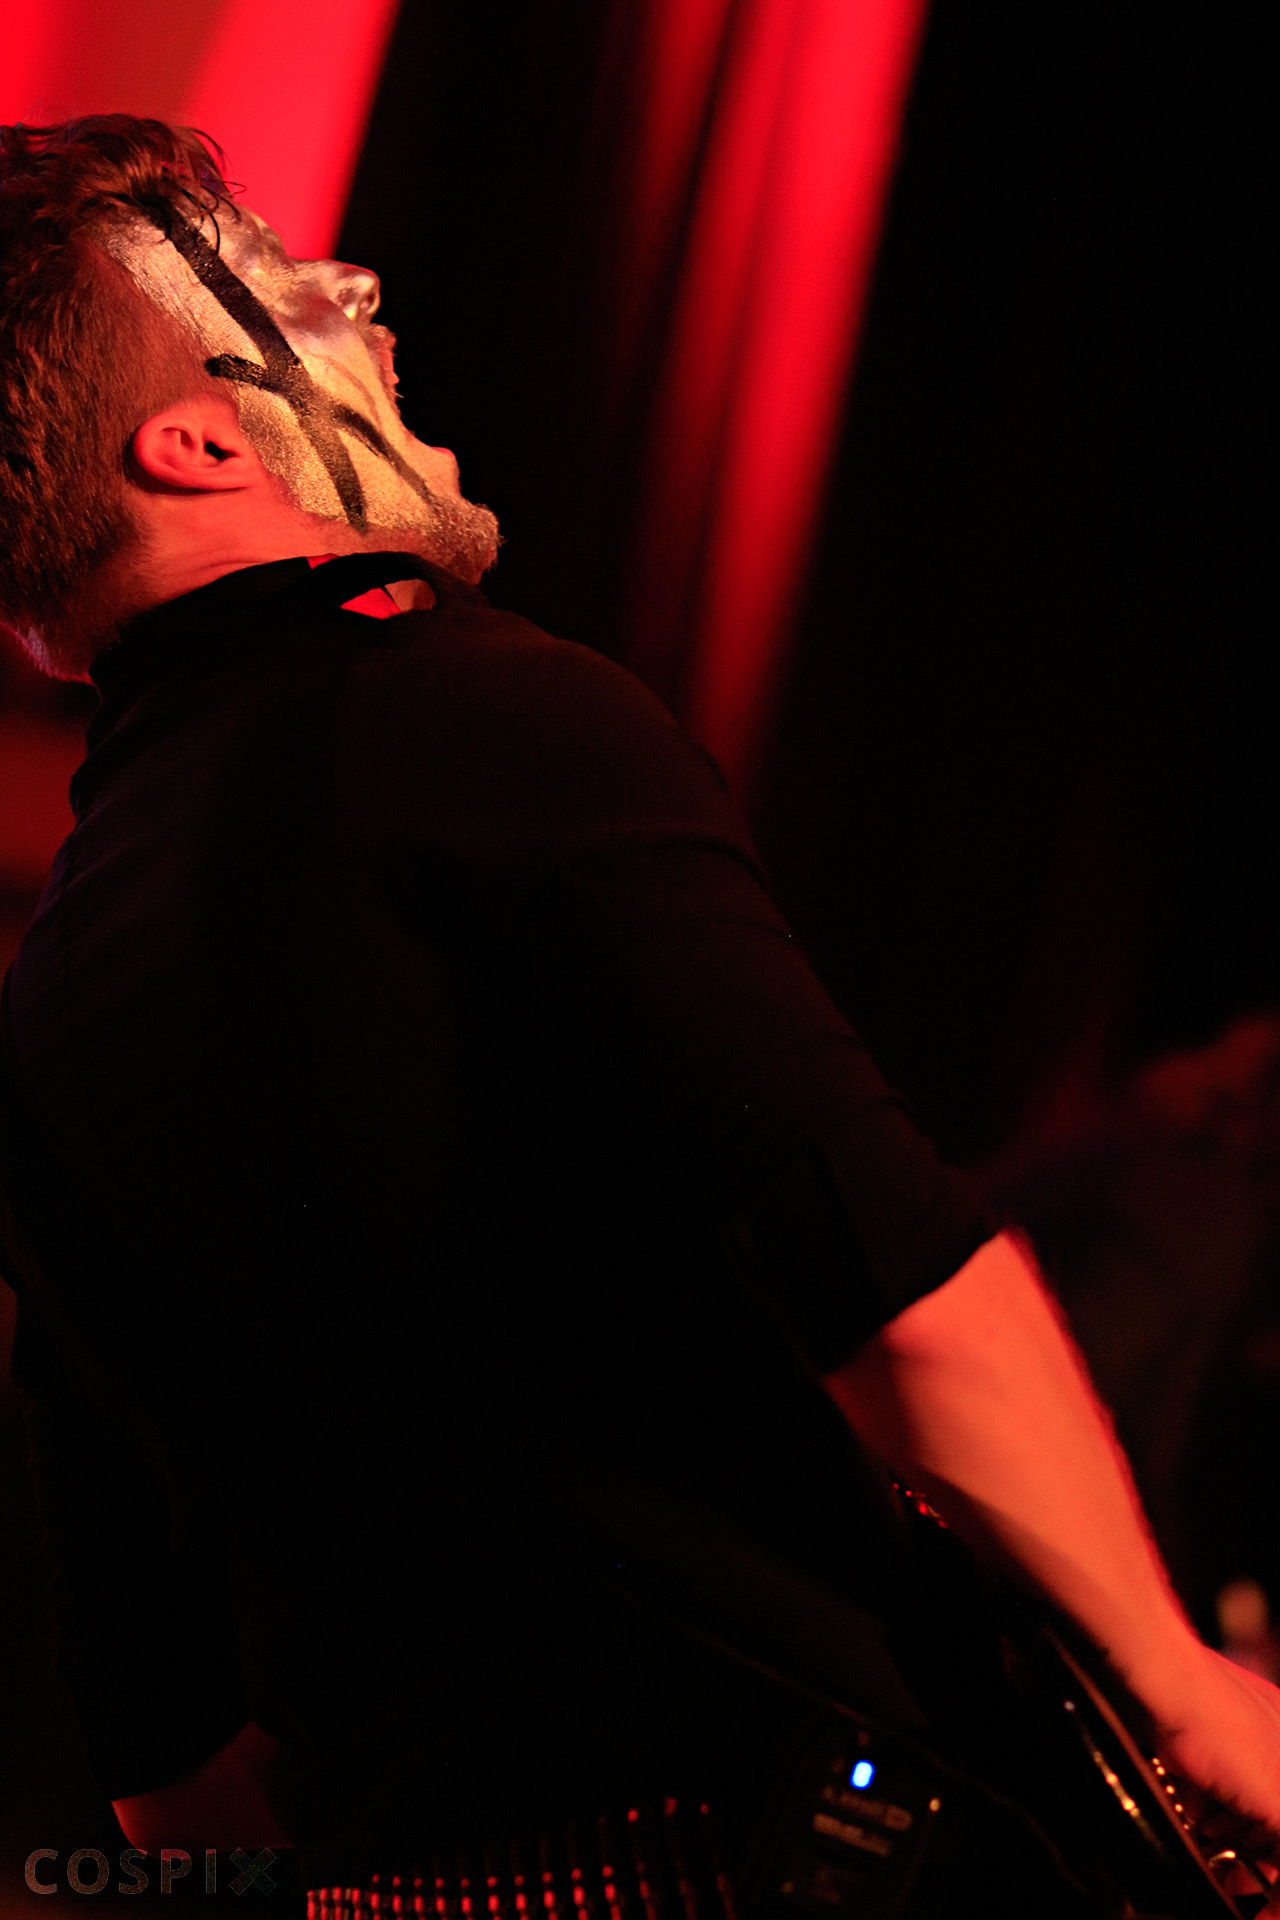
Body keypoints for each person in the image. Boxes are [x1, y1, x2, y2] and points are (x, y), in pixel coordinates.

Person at [1, 115, 1278, 1912]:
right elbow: (893, 1289)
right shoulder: (478, 720)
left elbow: (162, 1777)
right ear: (196, 442)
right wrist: (1181, 1686)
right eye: (275, 284)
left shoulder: (49, 999)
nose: (354, 287)